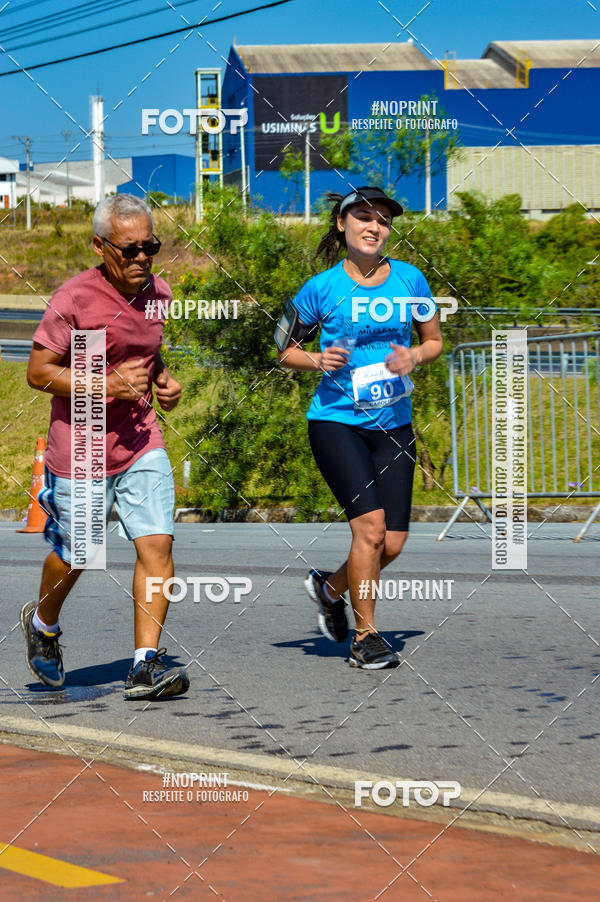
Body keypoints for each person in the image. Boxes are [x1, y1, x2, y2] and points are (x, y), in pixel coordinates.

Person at [22, 193, 189, 700]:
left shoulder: (158, 292)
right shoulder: (73, 299)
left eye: (150, 247)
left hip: (141, 439)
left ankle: (145, 663)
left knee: (157, 543)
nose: (142, 258)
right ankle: (43, 622)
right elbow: (38, 373)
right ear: (100, 245)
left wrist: (165, 382)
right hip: (83, 444)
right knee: (82, 554)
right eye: (129, 249)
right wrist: (105, 384)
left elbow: (147, 355)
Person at [276, 186, 443, 669]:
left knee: (391, 541)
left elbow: (433, 341)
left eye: (383, 221)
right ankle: (366, 637)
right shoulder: (320, 289)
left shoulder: (411, 281)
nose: (374, 227)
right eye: (364, 217)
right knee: (369, 531)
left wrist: (413, 354)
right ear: (342, 225)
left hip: (394, 424)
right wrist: (316, 359)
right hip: (336, 422)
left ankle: (330, 588)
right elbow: (282, 349)